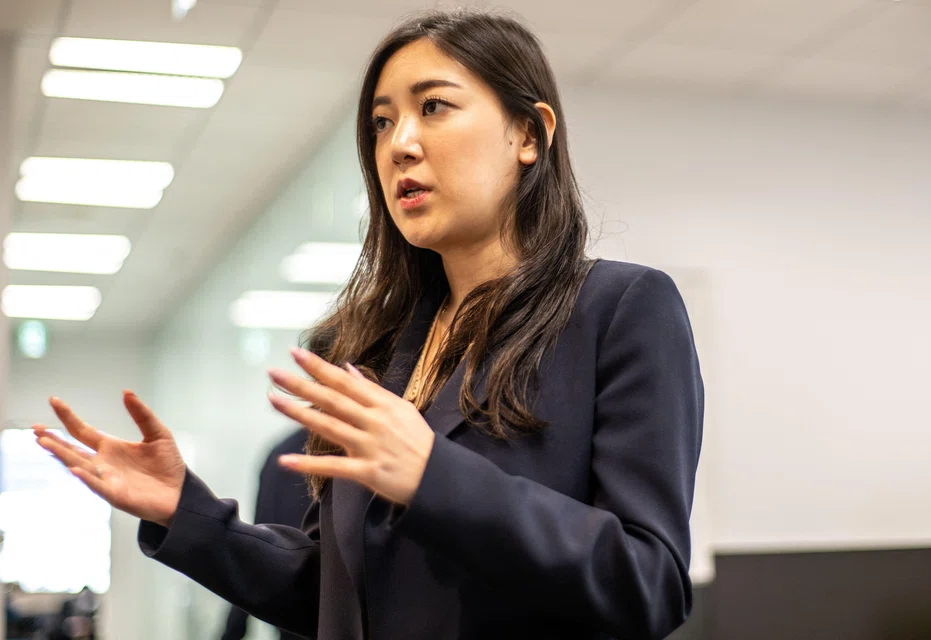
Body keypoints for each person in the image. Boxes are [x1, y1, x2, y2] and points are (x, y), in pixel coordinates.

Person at [32, 9, 704, 640]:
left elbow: (649, 583)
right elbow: (335, 589)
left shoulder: (620, 309)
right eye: (382, 123)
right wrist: (188, 514)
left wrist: (433, 476)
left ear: (527, 134)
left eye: (433, 108)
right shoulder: (383, 348)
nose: (400, 145)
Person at [219, 428, 312, 640]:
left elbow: (257, 547)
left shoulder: (281, 454)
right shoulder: (283, 456)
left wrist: (233, 630)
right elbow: (258, 545)